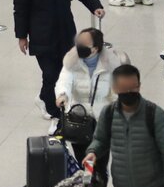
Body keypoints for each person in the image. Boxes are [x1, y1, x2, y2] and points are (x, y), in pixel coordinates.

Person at [14, 0, 104, 119]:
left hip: (64, 29)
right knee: (50, 72)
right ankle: (51, 108)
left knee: (63, 69)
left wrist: (95, 6)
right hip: (40, 31)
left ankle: (44, 98)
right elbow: (20, 6)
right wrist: (22, 35)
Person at [54, 27, 128, 155]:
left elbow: (117, 93)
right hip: (78, 118)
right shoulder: (71, 62)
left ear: (96, 48)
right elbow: (64, 81)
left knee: (100, 162)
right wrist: (62, 94)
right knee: (81, 158)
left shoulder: (111, 66)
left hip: (102, 119)